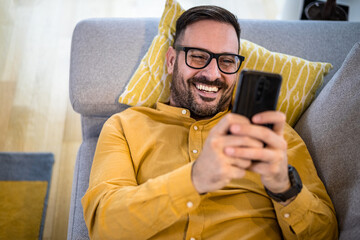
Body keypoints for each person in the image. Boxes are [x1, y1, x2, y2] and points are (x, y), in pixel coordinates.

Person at [82, 5, 338, 240]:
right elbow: (105, 227)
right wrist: (195, 178)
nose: (212, 74)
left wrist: (285, 189)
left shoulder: (273, 136)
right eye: (197, 56)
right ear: (171, 61)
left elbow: (326, 234)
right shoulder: (124, 127)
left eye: (227, 61)